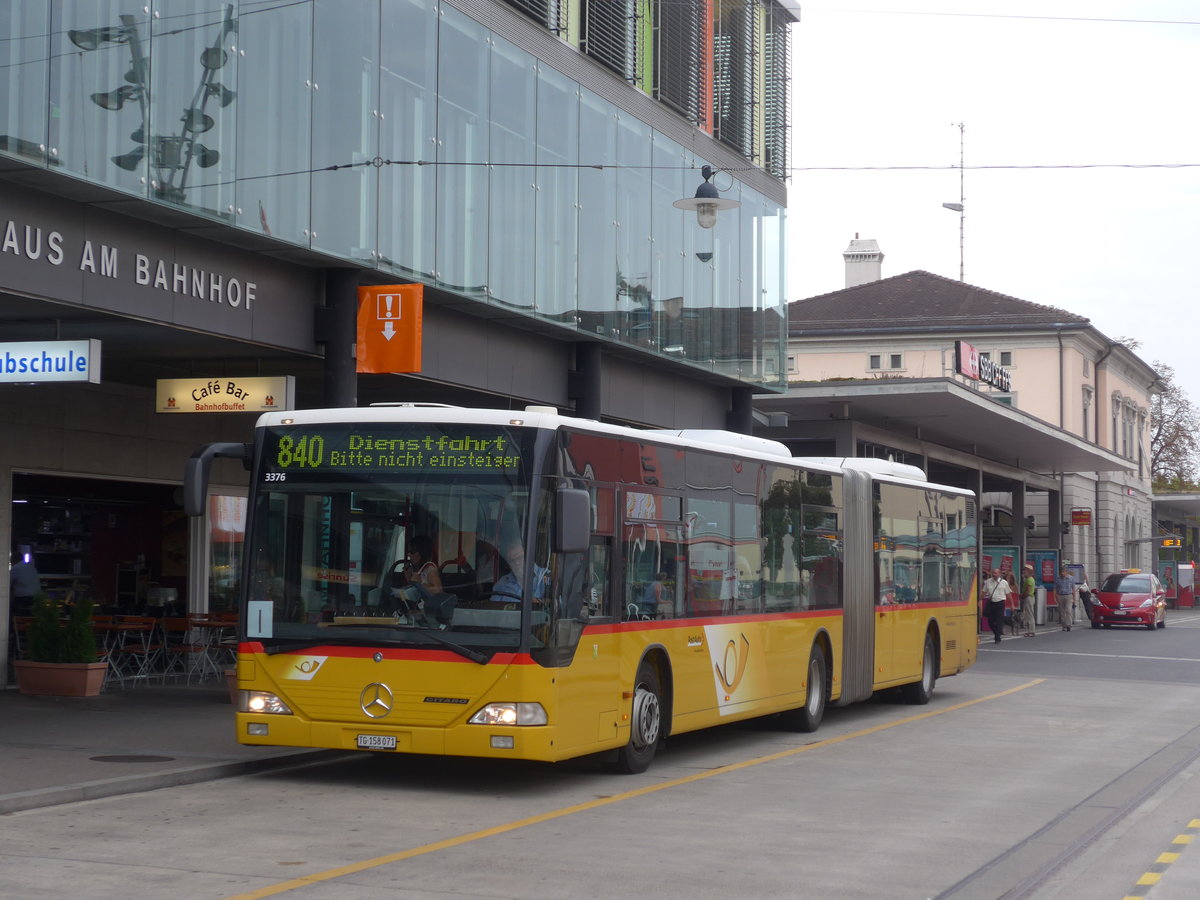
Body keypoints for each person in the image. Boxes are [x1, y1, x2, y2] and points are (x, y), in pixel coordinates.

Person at [9, 549, 41, 616]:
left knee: (10, 610)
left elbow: (8, 584)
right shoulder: (31, 567)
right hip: (37, 597)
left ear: (13, 560)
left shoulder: (15, 568)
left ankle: (14, 623)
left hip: (24, 598)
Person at [982, 568, 1009, 643]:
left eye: (995, 573)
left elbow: (1008, 594)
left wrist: (1012, 604)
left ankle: (997, 637)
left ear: (999, 574)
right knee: (990, 621)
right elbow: (984, 592)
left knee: (999, 620)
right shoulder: (988, 582)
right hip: (991, 603)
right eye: (993, 573)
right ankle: (996, 632)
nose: (994, 574)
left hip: (1000, 603)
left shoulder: (1004, 582)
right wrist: (979, 600)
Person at [1054, 565, 1077, 631]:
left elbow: (1073, 589)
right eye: (1061, 572)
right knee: (1062, 611)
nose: (1062, 573)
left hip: (1068, 596)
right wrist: (1055, 597)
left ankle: (1068, 625)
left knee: (1068, 610)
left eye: (1063, 572)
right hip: (1060, 596)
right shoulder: (1058, 578)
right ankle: (1063, 625)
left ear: (1066, 572)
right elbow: (1055, 588)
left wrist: (1074, 599)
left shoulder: (1071, 578)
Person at [1019, 563, 1038, 638]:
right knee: (1028, 614)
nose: (1024, 572)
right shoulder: (1029, 579)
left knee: (1029, 614)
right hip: (1029, 597)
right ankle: (1030, 631)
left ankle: (1031, 631)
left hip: (1028, 598)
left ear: (1029, 571)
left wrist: (1022, 596)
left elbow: (1028, 591)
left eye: (1025, 571)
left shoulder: (1029, 580)